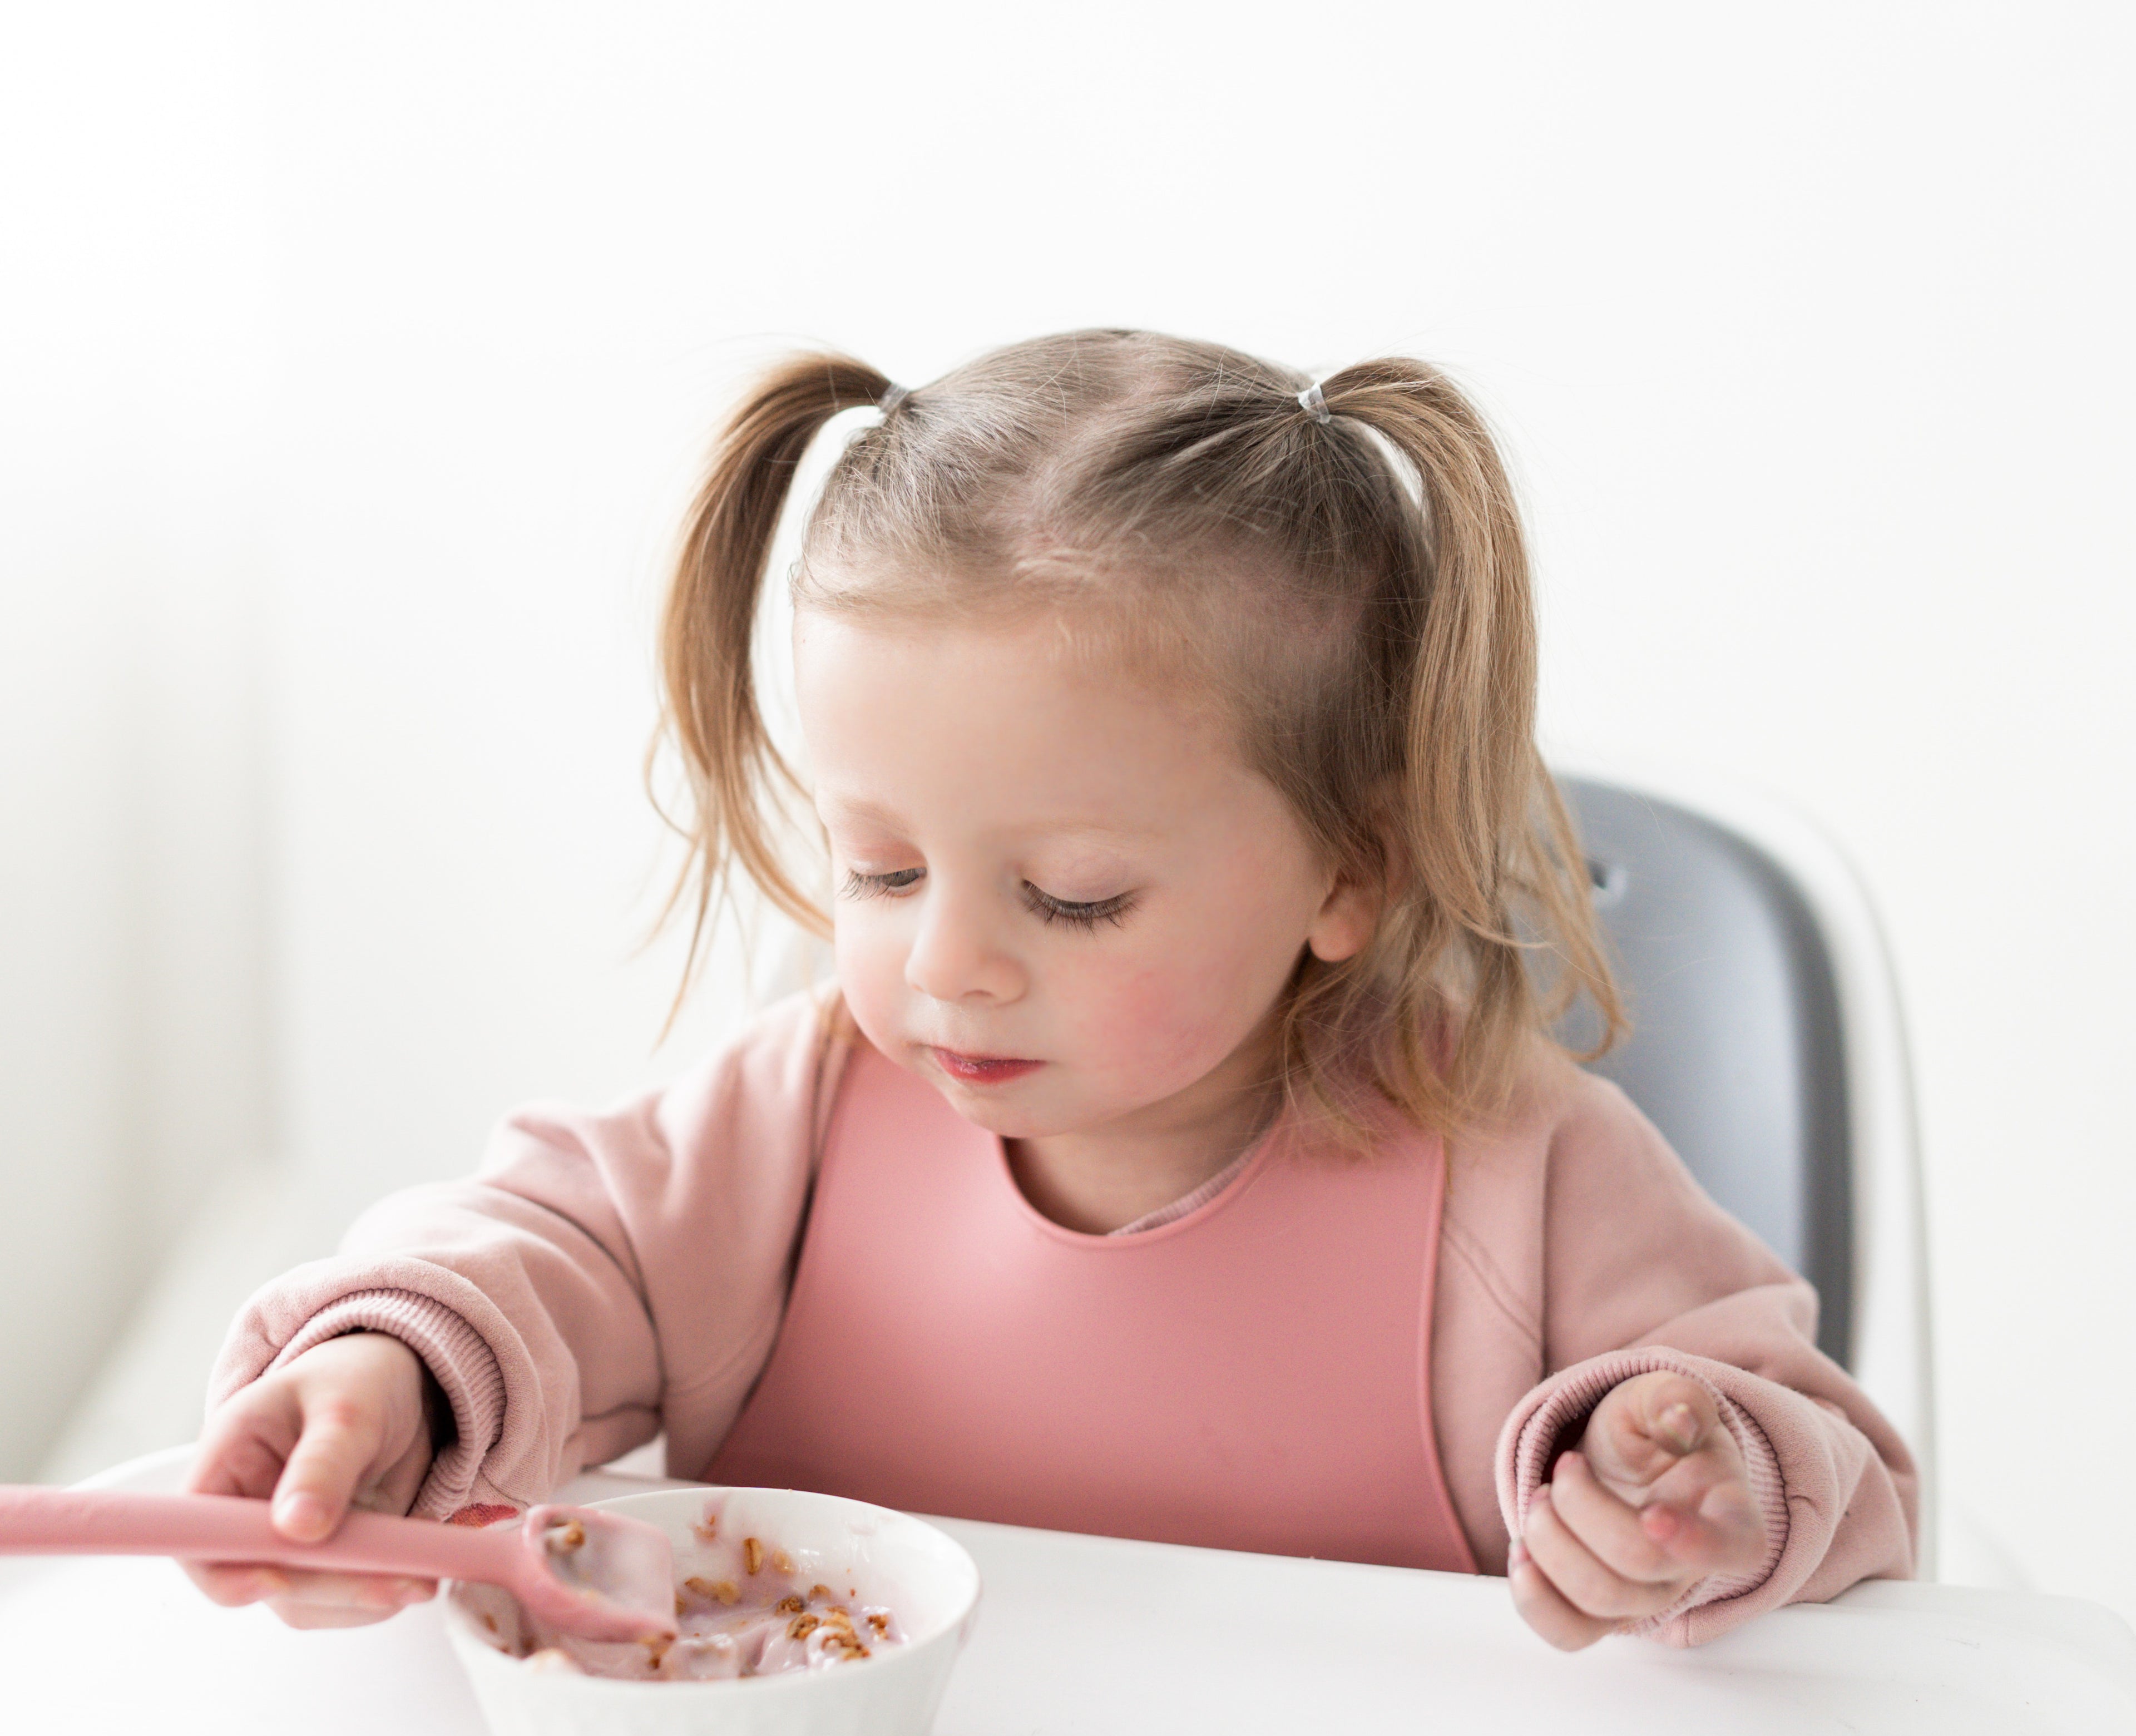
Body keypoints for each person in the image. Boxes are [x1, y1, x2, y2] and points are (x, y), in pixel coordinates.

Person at [187, 329, 1915, 1651]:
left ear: (1350, 870)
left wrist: (1697, 1482)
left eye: (1072, 895)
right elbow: (543, 1253)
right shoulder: (792, 1121)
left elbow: (1837, 1468)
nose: (942, 967)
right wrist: (398, 1372)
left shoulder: (1521, 1171)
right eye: (877, 870)